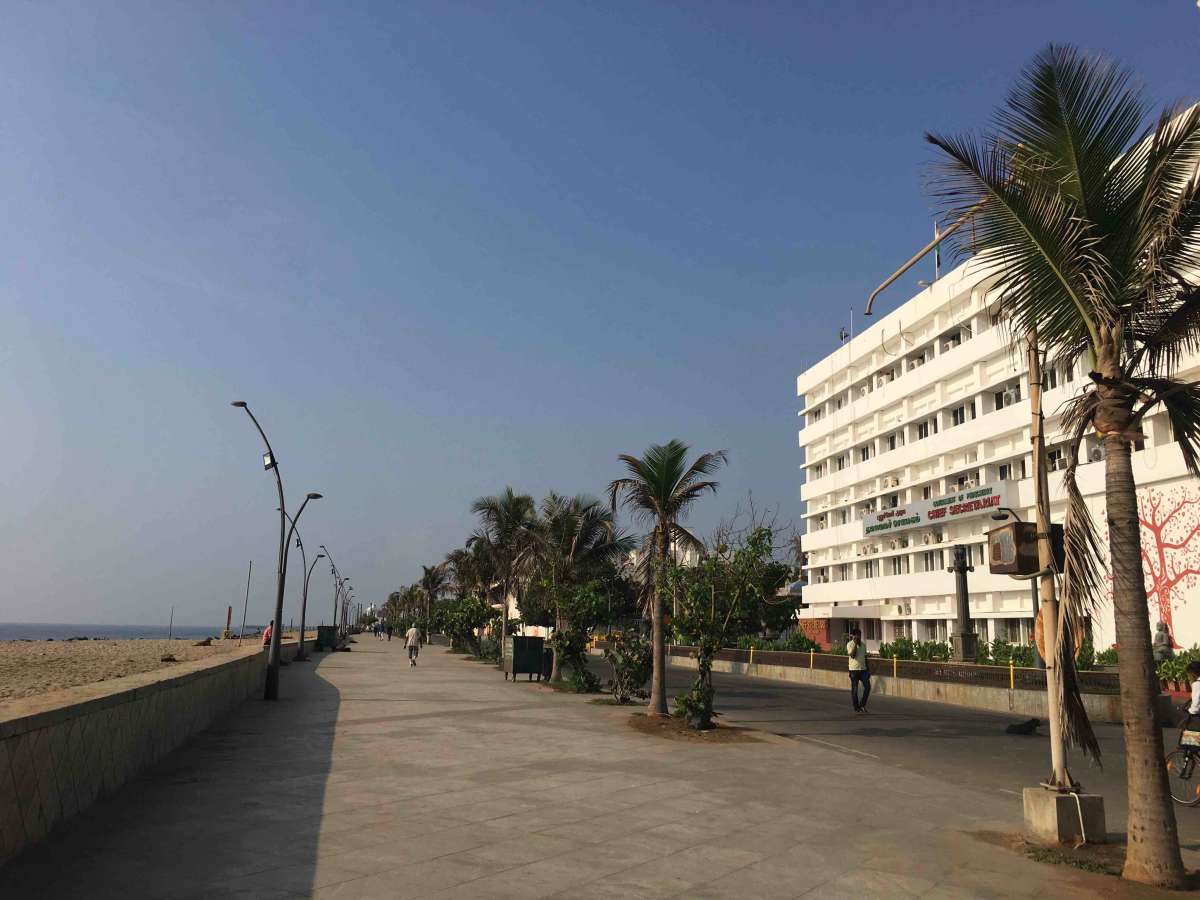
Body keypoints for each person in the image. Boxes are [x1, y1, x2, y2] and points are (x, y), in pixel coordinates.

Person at [847, 628, 870, 714]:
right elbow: (852, 656)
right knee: (855, 689)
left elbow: (865, 657)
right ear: (853, 636)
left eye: (859, 635)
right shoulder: (849, 644)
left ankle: (862, 704)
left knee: (867, 687)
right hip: (853, 670)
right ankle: (856, 707)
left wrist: (868, 670)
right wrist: (855, 645)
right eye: (856, 635)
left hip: (863, 670)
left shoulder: (863, 645)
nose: (858, 637)